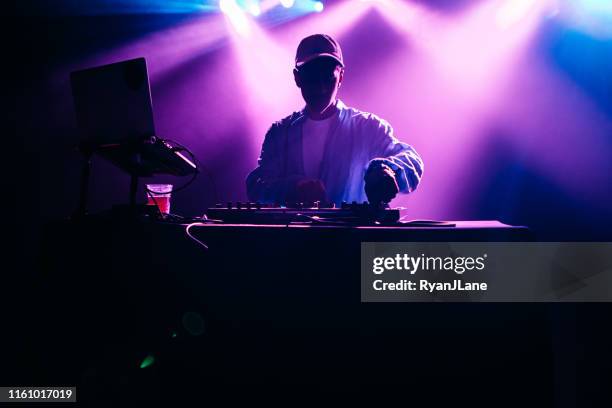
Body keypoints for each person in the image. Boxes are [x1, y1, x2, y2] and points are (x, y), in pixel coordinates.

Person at [246, 34, 423, 207]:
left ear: (341, 77)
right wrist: (294, 188)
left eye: (328, 77)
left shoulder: (368, 127)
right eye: (312, 77)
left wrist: (389, 170)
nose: (321, 87)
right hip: (293, 237)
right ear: (297, 78)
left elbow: (411, 159)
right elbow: (257, 185)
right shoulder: (279, 133)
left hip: (351, 237)